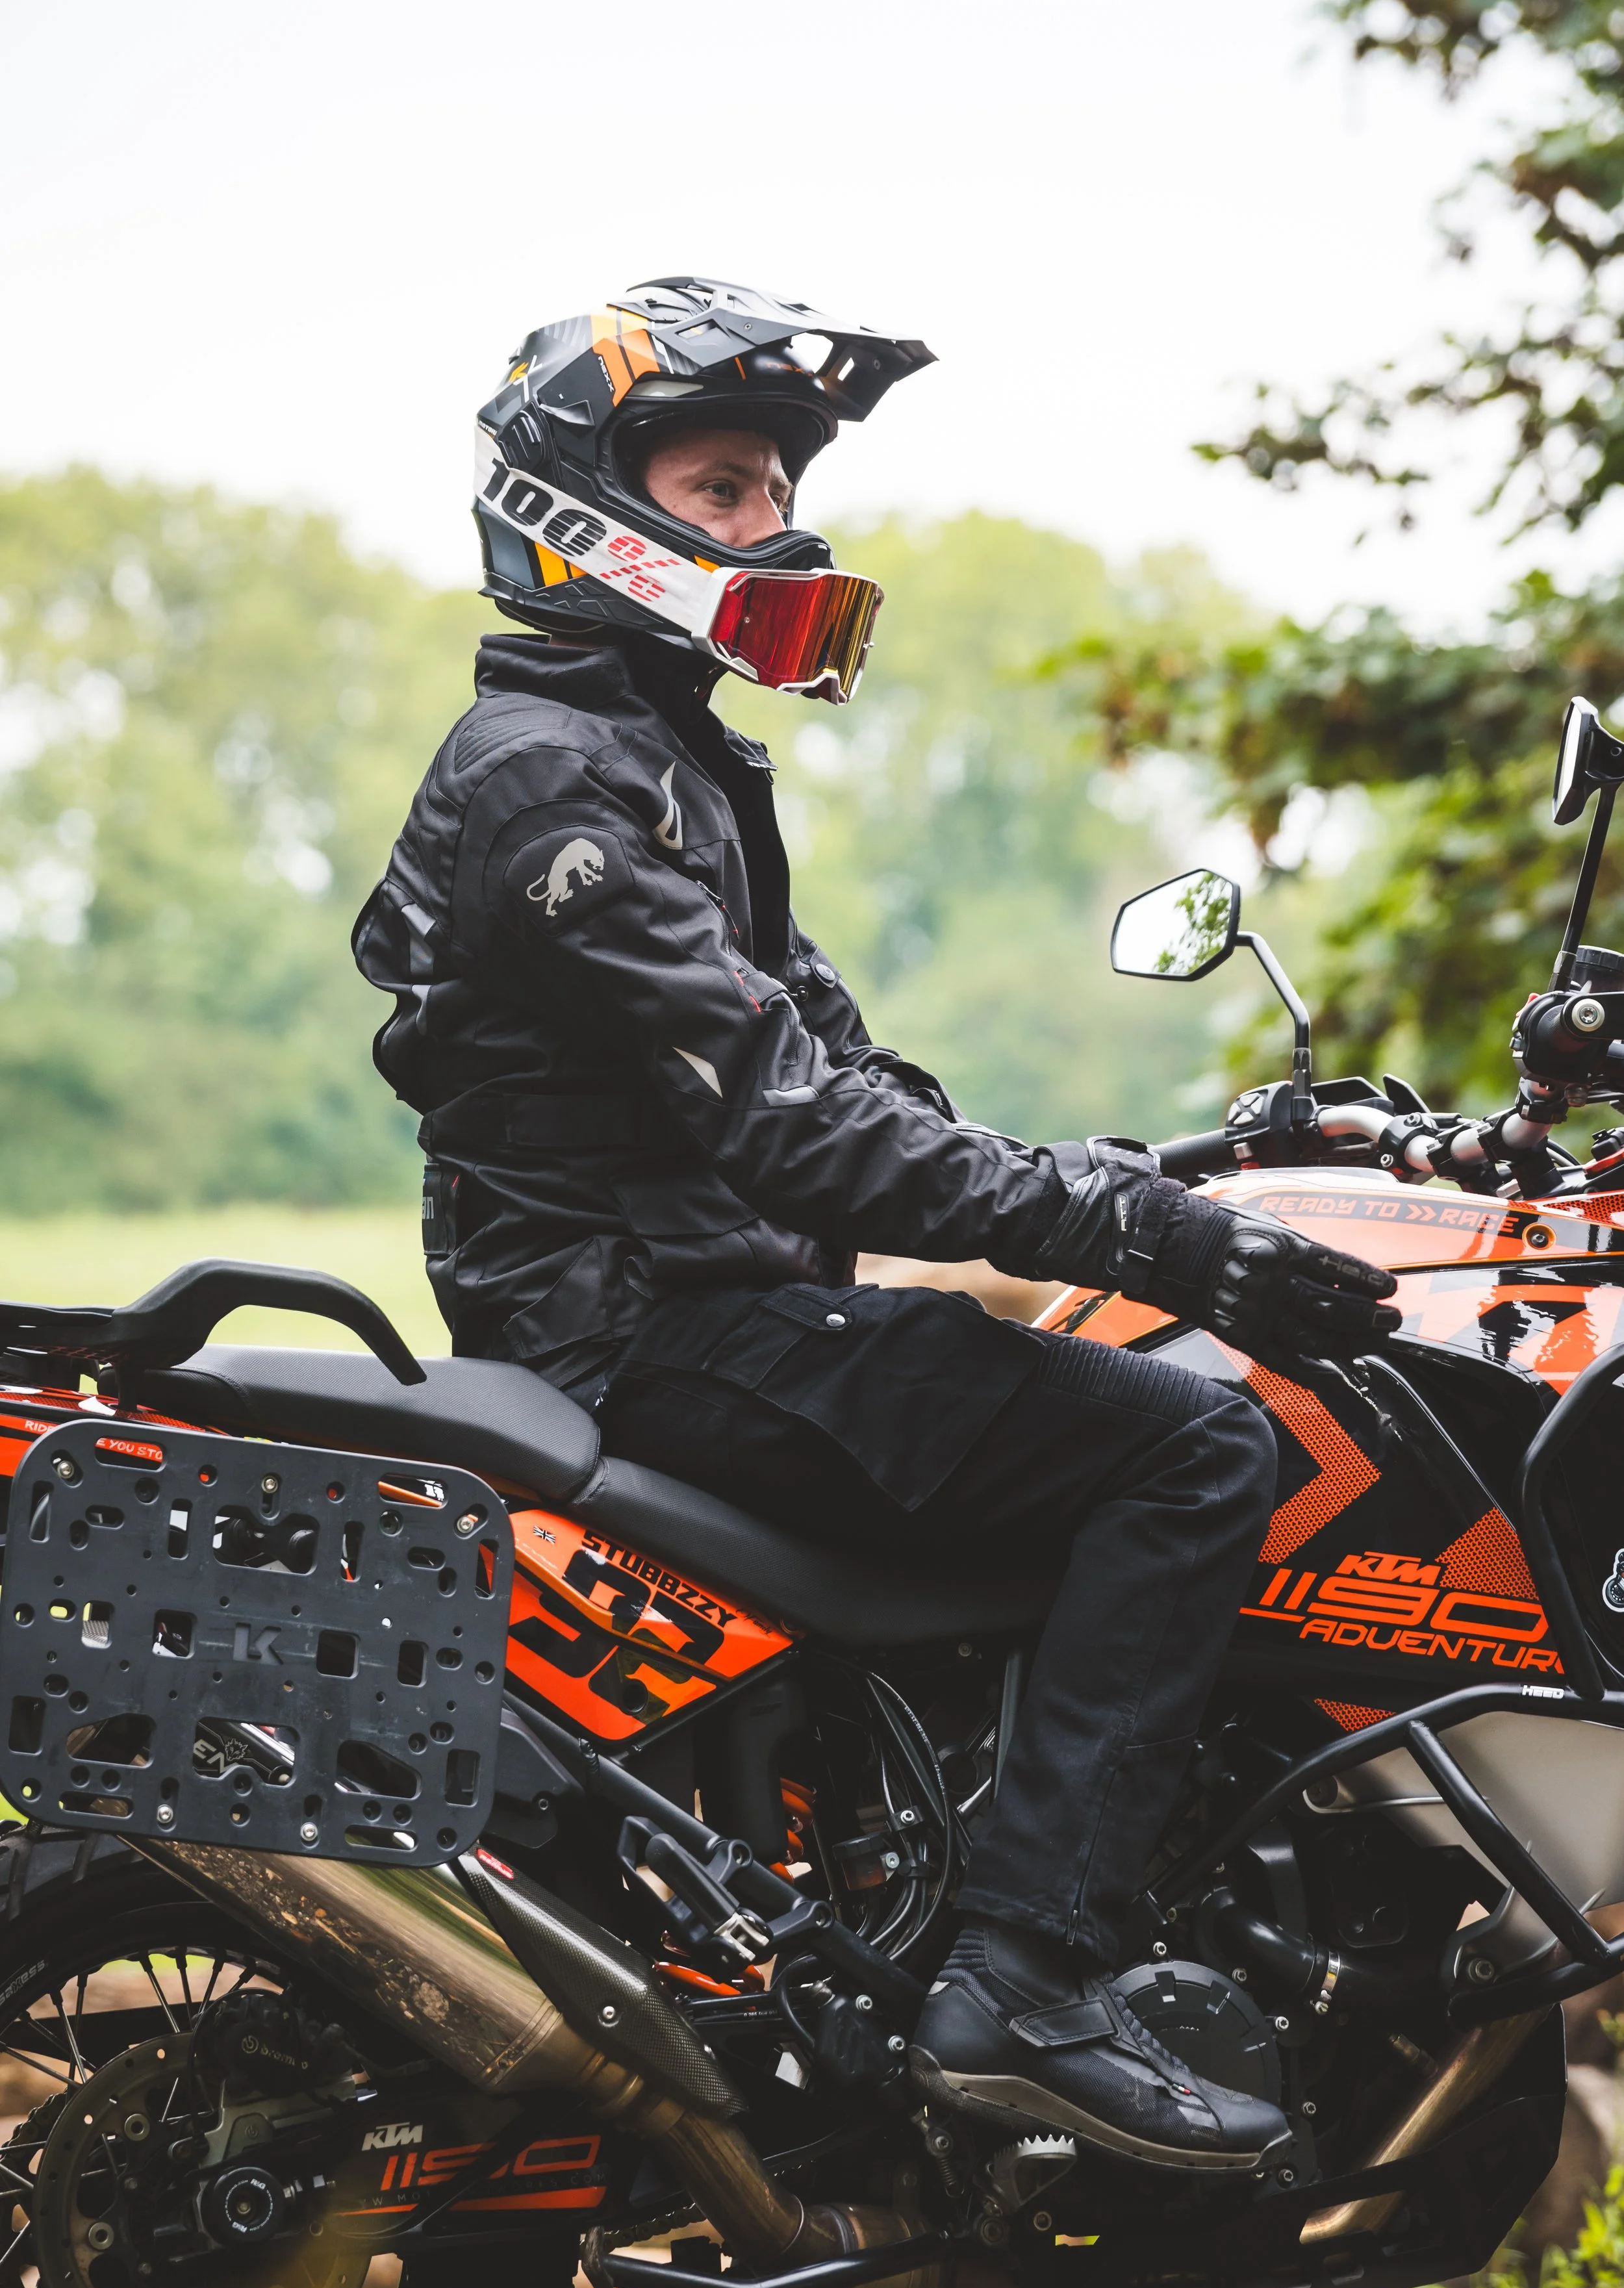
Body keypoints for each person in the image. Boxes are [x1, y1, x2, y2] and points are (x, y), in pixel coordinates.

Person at [355, 277, 1399, 2179]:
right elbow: (790, 1127)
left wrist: (1158, 1166)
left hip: (696, 1314)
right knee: (1189, 1446)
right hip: (652, 1335)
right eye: (728, 484)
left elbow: (849, 1070)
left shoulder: (657, 755)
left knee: (1103, 1391)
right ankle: (1031, 1982)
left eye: (775, 486)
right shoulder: (556, 785)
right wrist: (1152, 1242)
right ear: (588, 505)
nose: (780, 528)